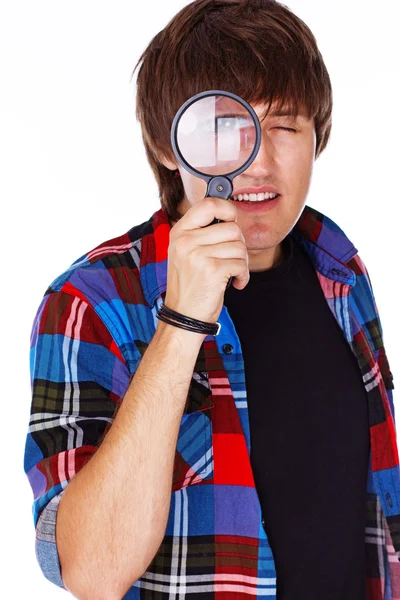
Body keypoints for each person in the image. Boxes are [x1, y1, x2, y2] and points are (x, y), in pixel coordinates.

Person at [23, 0, 399, 598]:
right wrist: (179, 323)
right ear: (169, 145)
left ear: (316, 139)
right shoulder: (90, 302)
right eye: (225, 126)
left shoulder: (342, 272)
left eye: (284, 126)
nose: (260, 164)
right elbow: (91, 571)